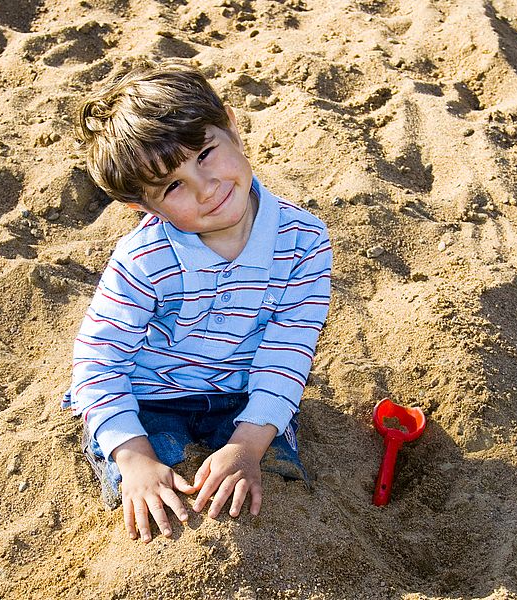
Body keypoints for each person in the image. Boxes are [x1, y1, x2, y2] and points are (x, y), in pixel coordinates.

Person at [61, 58, 332, 544]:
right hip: (152, 391)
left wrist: (248, 444)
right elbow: (99, 362)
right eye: (172, 186)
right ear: (144, 206)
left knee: (267, 462)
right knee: (150, 470)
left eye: (205, 154)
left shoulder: (305, 239)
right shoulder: (144, 259)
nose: (205, 189)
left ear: (230, 125)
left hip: (240, 389)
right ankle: (132, 454)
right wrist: (135, 457)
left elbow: (288, 350)